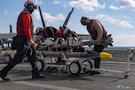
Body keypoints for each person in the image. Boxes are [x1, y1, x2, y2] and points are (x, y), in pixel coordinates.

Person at [0, 0, 45, 81]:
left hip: (26, 39)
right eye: (32, 7)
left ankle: (35, 73)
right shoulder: (25, 15)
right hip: (24, 40)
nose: (33, 9)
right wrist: (30, 40)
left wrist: (30, 40)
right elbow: (26, 29)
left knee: (33, 57)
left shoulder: (25, 14)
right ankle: (3, 72)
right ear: (28, 6)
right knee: (18, 58)